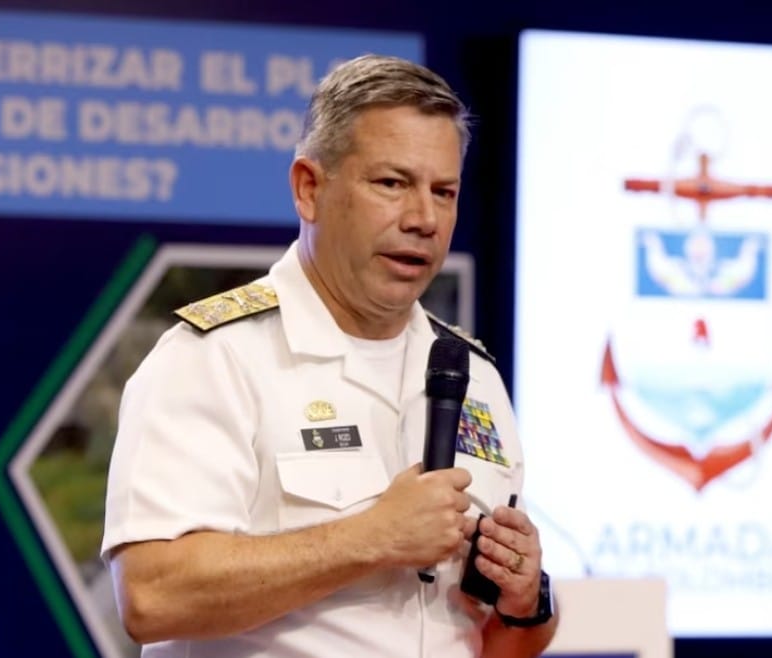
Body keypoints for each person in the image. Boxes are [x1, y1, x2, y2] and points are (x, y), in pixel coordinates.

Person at [100, 54, 559, 657]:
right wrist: (372, 537)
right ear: (309, 189)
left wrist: (527, 605)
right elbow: (152, 596)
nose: (424, 219)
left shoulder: (474, 377)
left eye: (443, 192)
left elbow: (493, 641)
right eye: (392, 184)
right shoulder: (216, 358)